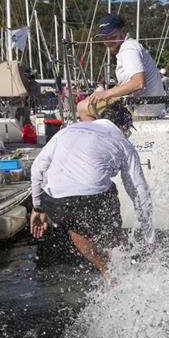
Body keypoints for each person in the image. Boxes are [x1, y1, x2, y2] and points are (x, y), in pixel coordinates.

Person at [29, 100, 154, 276]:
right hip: (94, 193)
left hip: (56, 197)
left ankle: (106, 272)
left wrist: (37, 207)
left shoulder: (67, 131)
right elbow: (138, 190)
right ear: (124, 126)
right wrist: (150, 237)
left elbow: (37, 169)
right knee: (113, 233)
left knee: (75, 227)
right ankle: (125, 272)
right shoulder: (123, 142)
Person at [88, 13, 166, 119]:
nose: (108, 41)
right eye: (105, 38)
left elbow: (138, 83)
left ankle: (103, 135)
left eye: (112, 36)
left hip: (143, 112)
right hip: (148, 108)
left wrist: (106, 93)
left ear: (123, 31)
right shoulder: (130, 46)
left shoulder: (128, 48)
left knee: (83, 108)